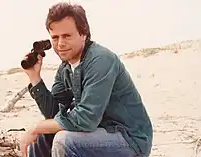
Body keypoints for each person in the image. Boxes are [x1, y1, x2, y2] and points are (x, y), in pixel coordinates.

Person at [20, 2, 153, 157]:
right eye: (55, 37)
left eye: (67, 36)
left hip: (129, 140)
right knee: (44, 136)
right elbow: (54, 113)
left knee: (63, 141)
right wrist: (34, 77)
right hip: (96, 133)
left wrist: (37, 127)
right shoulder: (66, 68)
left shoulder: (101, 59)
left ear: (83, 34)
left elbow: (86, 118)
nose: (60, 43)